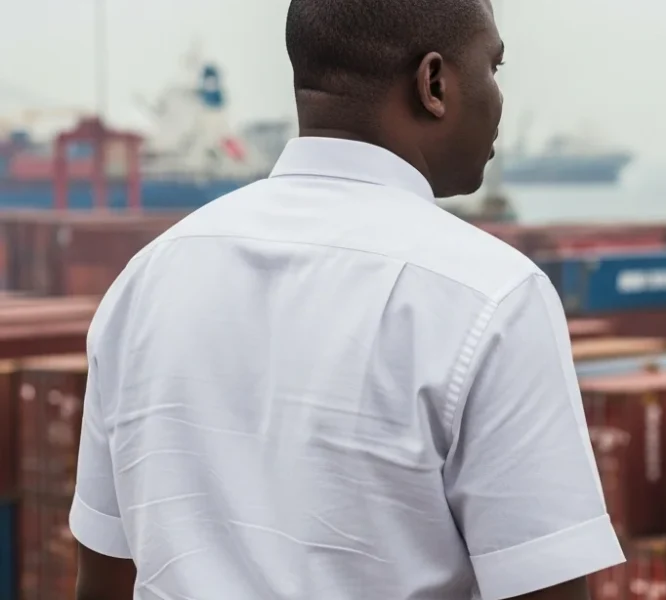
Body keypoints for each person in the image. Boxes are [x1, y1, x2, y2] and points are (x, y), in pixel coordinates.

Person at [70, 0, 624, 598]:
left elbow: (101, 579)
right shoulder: (492, 298)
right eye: (493, 67)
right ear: (433, 83)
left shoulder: (145, 281)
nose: (499, 98)